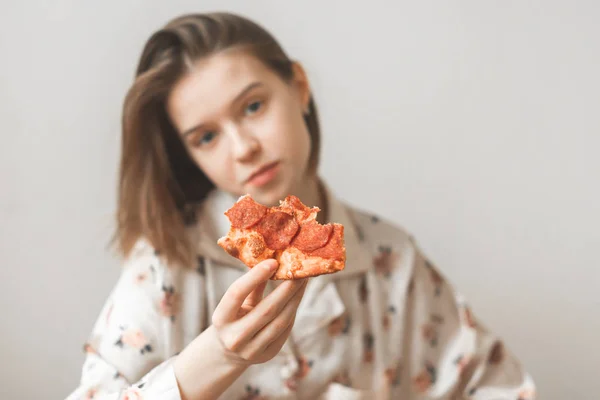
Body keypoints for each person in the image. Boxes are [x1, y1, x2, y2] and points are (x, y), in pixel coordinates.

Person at [66, 11, 535, 400]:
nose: (243, 147)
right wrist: (218, 357)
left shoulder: (392, 259)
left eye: (252, 106)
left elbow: (501, 387)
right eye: (206, 137)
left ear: (299, 87)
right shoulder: (167, 262)